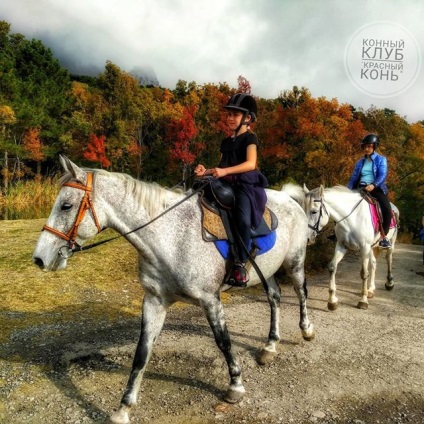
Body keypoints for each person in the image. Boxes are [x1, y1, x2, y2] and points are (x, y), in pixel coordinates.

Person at [194, 93, 268, 287]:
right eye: (229, 114)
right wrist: (205, 172)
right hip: (225, 182)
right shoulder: (226, 142)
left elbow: (251, 164)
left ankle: (240, 262)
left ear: (248, 118)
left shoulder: (250, 139)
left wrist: (224, 171)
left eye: (235, 115)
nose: (230, 118)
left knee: (243, 219)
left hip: (245, 185)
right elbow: (221, 167)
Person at [347, 133, 392, 248]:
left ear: (374, 147)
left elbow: (382, 175)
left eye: (369, 146)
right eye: (365, 146)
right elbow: (354, 177)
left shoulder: (381, 159)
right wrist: (347, 190)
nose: (366, 149)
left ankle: (384, 237)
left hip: (376, 189)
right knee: (344, 205)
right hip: (360, 188)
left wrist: (374, 184)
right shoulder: (360, 162)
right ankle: (339, 232)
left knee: (387, 209)